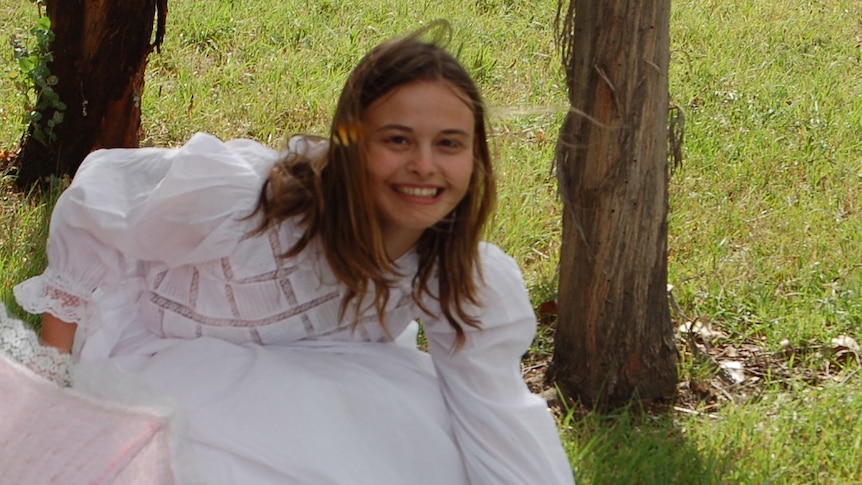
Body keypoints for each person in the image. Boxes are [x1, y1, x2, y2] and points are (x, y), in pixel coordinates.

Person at [13, 23, 575, 484]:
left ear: (475, 157)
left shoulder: (454, 273)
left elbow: (494, 415)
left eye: (448, 144)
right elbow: (95, 205)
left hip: (321, 367)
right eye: (398, 140)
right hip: (168, 351)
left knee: (420, 442)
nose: (424, 165)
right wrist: (51, 382)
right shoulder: (254, 203)